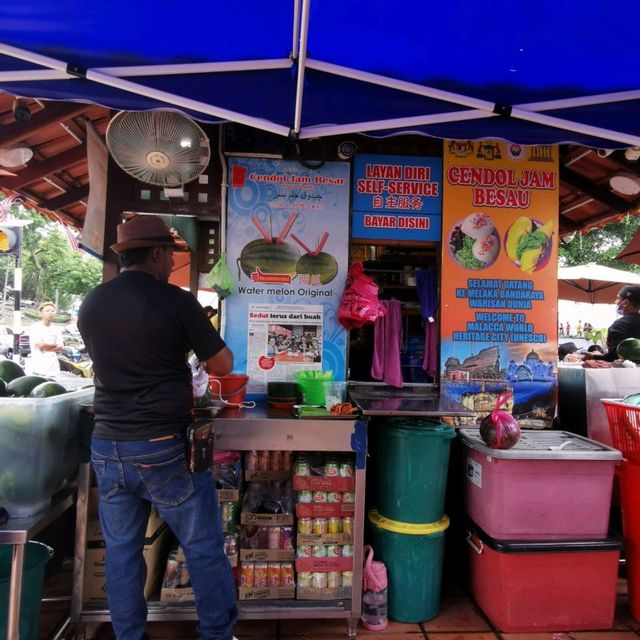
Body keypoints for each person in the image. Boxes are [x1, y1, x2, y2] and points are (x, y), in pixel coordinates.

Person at [78, 215, 237, 640]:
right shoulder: (176, 302)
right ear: (156, 253)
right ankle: (217, 636)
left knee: (122, 552)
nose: (172, 263)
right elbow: (223, 364)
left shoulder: (91, 303)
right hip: (161, 447)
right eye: (169, 253)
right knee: (202, 548)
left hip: (108, 445)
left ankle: (129, 636)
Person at [584, 285, 640, 362]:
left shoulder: (620, 324)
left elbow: (615, 356)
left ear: (625, 303)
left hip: (627, 372)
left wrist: (594, 356)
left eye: (618, 298)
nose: (615, 302)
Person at [29, 301, 64, 376]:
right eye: (47, 310)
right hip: (39, 368)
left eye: (52, 311)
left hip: (54, 368)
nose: (50, 313)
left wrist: (47, 347)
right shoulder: (35, 327)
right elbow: (41, 345)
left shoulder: (56, 329)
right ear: (41, 313)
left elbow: (61, 347)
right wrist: (55, 345)